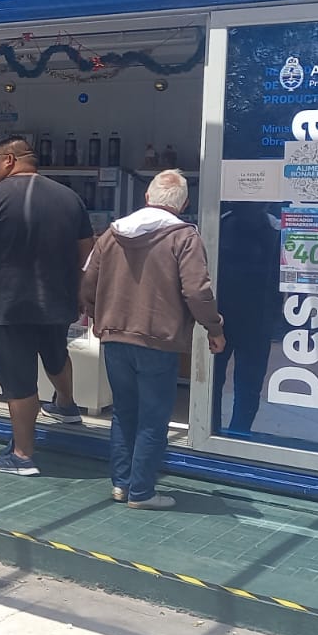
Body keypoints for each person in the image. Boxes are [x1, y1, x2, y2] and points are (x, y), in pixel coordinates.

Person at [0, 138, 93, 476]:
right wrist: (82, 288)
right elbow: (87, 251)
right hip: (56, 299)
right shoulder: (69, 198)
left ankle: (22, 454)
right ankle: (67, 405)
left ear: (10, 160)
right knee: (56, 353)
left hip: (7, 302)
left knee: (18, 379)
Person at [81, 170, 225, 510]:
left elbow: (88, 281)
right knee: (153, 416)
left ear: (147, 198)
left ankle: (121, 484)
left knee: (123, 412)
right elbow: (197, 291)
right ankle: (142, 491)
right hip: (159, 340)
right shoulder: (184, 237)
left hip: (115, 337)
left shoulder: (111, 234)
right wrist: (214, 327)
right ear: (184, 204)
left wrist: (97, 316)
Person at [212, 202, 281, 434]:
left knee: (247, 385)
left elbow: (279, 278)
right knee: (215, 381)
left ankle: (237, 433)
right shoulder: (220, 225)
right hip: (224, 319)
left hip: (255, 320)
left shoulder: (275, 230)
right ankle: (217, 430)